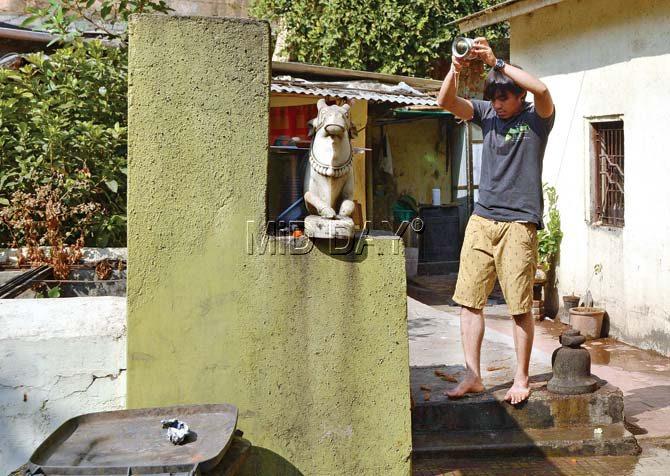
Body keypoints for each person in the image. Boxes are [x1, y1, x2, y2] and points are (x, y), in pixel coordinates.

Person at [436, 37, 555, 404]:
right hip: (482, 219)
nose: (498, 104)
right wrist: (456, 69)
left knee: (519, 306)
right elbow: (444, 102)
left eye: (505, 97)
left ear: (520, 98)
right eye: (495, 97)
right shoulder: (486, 114)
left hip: (520, 225)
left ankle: (521, 378)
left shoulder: (537, 120)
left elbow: (543, 88)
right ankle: (473, 375)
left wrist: (496, 62)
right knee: (470, 301)